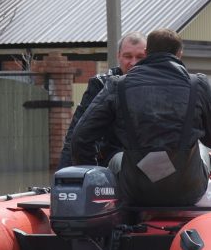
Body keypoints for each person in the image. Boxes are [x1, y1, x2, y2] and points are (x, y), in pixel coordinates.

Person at [71, 28, 211, 206]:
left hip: (136, 191)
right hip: (188, 190)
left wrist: (96, 180)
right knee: (202, 151)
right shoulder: (197, 84)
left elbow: (79, 138)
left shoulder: (118, 85)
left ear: (146, 53)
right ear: (179, 54)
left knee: (118, 158)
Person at [57, 31, 146, 169]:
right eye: (128, 56)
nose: (133, 63)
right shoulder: (101, 85)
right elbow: (75, 135)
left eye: (140, 57)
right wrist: (63, 177)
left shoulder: (160, 87)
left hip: (151, 161)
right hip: (111, 163)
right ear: (118, 57)